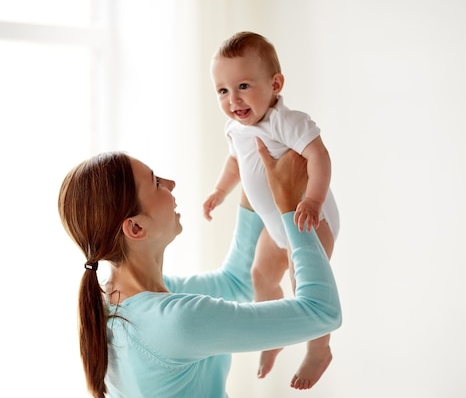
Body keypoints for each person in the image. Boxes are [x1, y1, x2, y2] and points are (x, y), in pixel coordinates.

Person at [58, 142, 342, 398]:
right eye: (156, 182)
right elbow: (321, 312)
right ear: (136, 227)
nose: (171, 183)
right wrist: (290, 205)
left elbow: (236, 283)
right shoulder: (176, 322)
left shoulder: (119, 301)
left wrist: (255, 175)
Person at [203, 31, 341, 390]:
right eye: (222, 90)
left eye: (243, 86)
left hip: (310, 219)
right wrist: (220, 190)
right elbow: (236, 163)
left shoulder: (285, 120)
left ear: (275, 84)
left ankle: (319, 349)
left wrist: (311, 200)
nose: (233, 99)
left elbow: (318, 156)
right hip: (274, 224)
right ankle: (275, 336)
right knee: (259, 276)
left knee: (305, 283)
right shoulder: (235, 127)